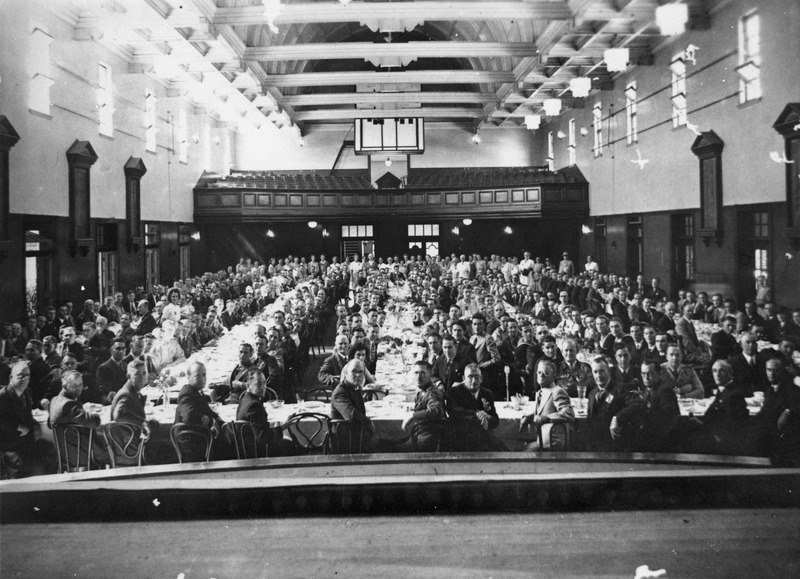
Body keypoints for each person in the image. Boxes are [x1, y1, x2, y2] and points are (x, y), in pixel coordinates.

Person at [109, 359, 173, 464]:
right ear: (128, 377)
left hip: (132, 443)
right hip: (130, 450)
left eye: (144, 373)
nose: (142, 378)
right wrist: (143, 423)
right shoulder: (126, 394)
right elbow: (119, 414)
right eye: (137, 375)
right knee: (173, 447)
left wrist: (146, 422)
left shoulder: (133, 391)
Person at [0, 362, 54, 476]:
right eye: (20, 375)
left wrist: (35, 425)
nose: (24, 378)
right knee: (34, 467)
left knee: (53, 452)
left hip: (28, 444)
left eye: (27, 375)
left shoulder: (27, 392)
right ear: (11, 377)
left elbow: (27, 416)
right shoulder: (3, 396)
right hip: (11, 448)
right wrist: (15, 426)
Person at [48, 369, 109, 468]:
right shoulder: (69, 405)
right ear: (64, 386)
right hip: (81, 455)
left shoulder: (54, 400)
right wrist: (94, 415)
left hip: (65, 454)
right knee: (115, 450)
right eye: (74, 386)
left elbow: (49, 424)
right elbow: (93, 422)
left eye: (80, 384)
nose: (79, 388)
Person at [445, 363, 506, 451]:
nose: (474, 381)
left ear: (481, 379)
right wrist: (477, 414)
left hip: (483, 439)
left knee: (504, 453)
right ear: (463, 378)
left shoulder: (487, 394)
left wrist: (487, 417)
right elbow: (454, 411)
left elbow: (495, 420)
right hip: (461, 441)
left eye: (477, 377)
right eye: (470, 377)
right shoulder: (453, 392)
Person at [695, 360, 749, 455]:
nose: (717, 374)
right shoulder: (723, 390)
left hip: (723, 444)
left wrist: (702, 426)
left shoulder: (734, 395)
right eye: (714, 371)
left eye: (721, 370)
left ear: (730, 373)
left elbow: (731, 426)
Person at [235, 368, 292, 457]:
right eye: (258, 384)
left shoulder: (245, 399)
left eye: (264, 382)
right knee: (290, 444)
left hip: (245, 446)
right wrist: (284, 426)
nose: (263, 387)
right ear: (248, 385)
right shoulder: (254, 405)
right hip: (257, 451)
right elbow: (263, 437)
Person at [520, 359, 575, 450]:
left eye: (546, 372)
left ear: (554, 376)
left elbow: (568, 413)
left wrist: (546, 418)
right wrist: (529, 417)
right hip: (542, 439)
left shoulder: (557, 391)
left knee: (521, 453)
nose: (541, 375)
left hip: (553, 443)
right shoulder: (541, 392)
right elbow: (545, 411)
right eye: (539, 372)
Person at [585, 356, 629, 451]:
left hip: (614, 447)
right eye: (595, 372)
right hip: (594, 447)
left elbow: (637, 404)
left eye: (602, 371)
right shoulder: (592, 394)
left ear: (609, 371)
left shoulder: (620, 389)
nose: (598, 375)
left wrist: (616, 417)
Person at [330, 359, 374, 453]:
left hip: (355, 436)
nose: (358, 375)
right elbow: (352, 416)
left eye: (360, 372)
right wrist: (369, 421)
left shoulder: (355, 387)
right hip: (345, 443)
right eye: (354, 371)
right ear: (346, 373)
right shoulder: (340, 392)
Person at [401, 361, 446, 451]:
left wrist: (412, 416)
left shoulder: (433, 392)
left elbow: (436, 410)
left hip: (426, 440)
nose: (418, 377)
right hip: (419, 435)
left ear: (430, 375)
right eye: (416, 373)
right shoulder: (423, 390)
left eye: (423, 373)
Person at [174, 361, 223, 437]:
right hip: (190, 441)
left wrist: (221, 422)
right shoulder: (186, 393)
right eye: (197, 376)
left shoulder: (198, 392)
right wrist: (211, 421)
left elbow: (208, 411)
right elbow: (189, 417)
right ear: (188, 377)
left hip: (199, 435)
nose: (202, 378)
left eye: (204, 375)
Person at [95, 338, 129, 405]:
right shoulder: (103, 368)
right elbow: (109, 391)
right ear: (111, 350)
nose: (121, 351)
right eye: (118, 349)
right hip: (113, 403)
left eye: (123, 349)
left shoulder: (125, 365)